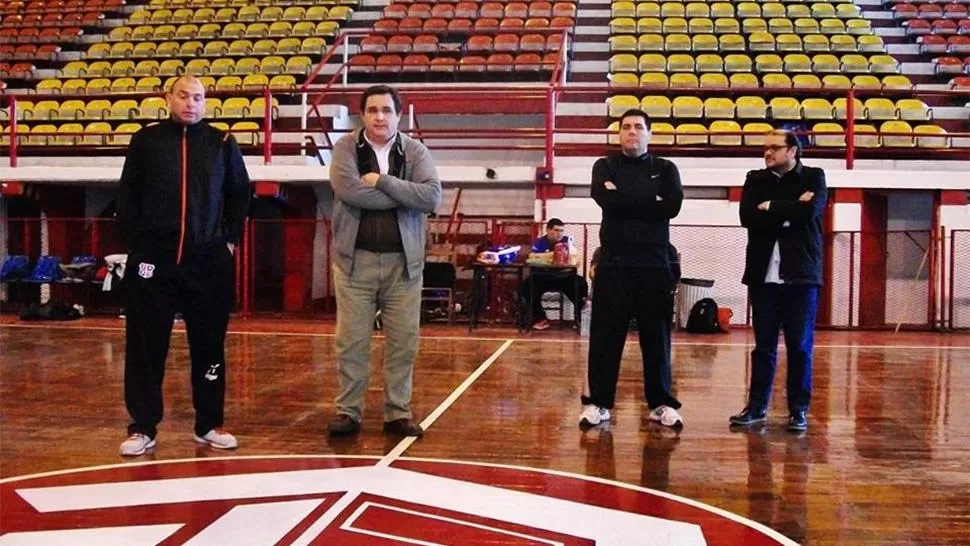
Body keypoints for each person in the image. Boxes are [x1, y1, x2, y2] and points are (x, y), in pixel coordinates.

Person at [116, 75, 251, 457]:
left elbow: (240, 194)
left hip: (207, 264)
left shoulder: (222, 143)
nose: (191, 103)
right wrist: (138, 247)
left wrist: (228, 240)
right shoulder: (146, 142)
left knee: (209, 347)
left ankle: (209, 424)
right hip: (153, 264)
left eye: (198, 98)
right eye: (183, 96)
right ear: (167, 98)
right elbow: (127, 197)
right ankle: (142, 427)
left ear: (206, 103)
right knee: (145, 346)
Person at [327, 84, 441, 438]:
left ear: (398, 114)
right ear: (362, 115)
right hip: (354, 264)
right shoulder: (345, 147)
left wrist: (382, 181)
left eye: (386, 110)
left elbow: (432, 196)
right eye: (373, 110)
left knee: (404, 341)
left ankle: (397, 413)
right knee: (351, 342)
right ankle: (349, 412)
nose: (380, 116)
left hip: (404, 266)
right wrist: (404, 195)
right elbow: (348, 191)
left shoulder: (415, 150)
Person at [579, 109, 685, 429]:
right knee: (605, 338)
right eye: (626, 127)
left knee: (656, 339)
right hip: (613, 265)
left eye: (638, 127)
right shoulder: (604, 166)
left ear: (649, 134)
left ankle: (660, 404)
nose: (631, 132)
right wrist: (649, 201)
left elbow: (672, 206)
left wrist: (623, 197)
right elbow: (606, 200)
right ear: (619, 134)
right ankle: (599, 403)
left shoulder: (666, 168)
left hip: (654, 266)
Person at [730, 129, 827, 433]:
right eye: (765, 148)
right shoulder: (755, 179)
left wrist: (770, 206)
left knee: (800, 347)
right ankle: (757, 407)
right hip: (764, 277)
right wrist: (790, 209)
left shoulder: (814, 176)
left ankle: (798, 410)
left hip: (801, 276)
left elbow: (809, 212)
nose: (767, 153)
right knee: (764, 347)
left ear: (793, 151)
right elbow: (747, 217)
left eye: (774, 147)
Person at [520, 218, 589, 330]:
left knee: (580, 284)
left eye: (561, 230)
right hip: (543, 277)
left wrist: (545, 257)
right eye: (556, 230)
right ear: (548, 230)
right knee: (526, 286)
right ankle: (540, 318)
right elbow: (532, 257)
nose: (559, 233)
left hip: (564, 277)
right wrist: (555, 255)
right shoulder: (540, 242)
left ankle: (579, 319)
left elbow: (575, 259)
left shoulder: (568, 241)